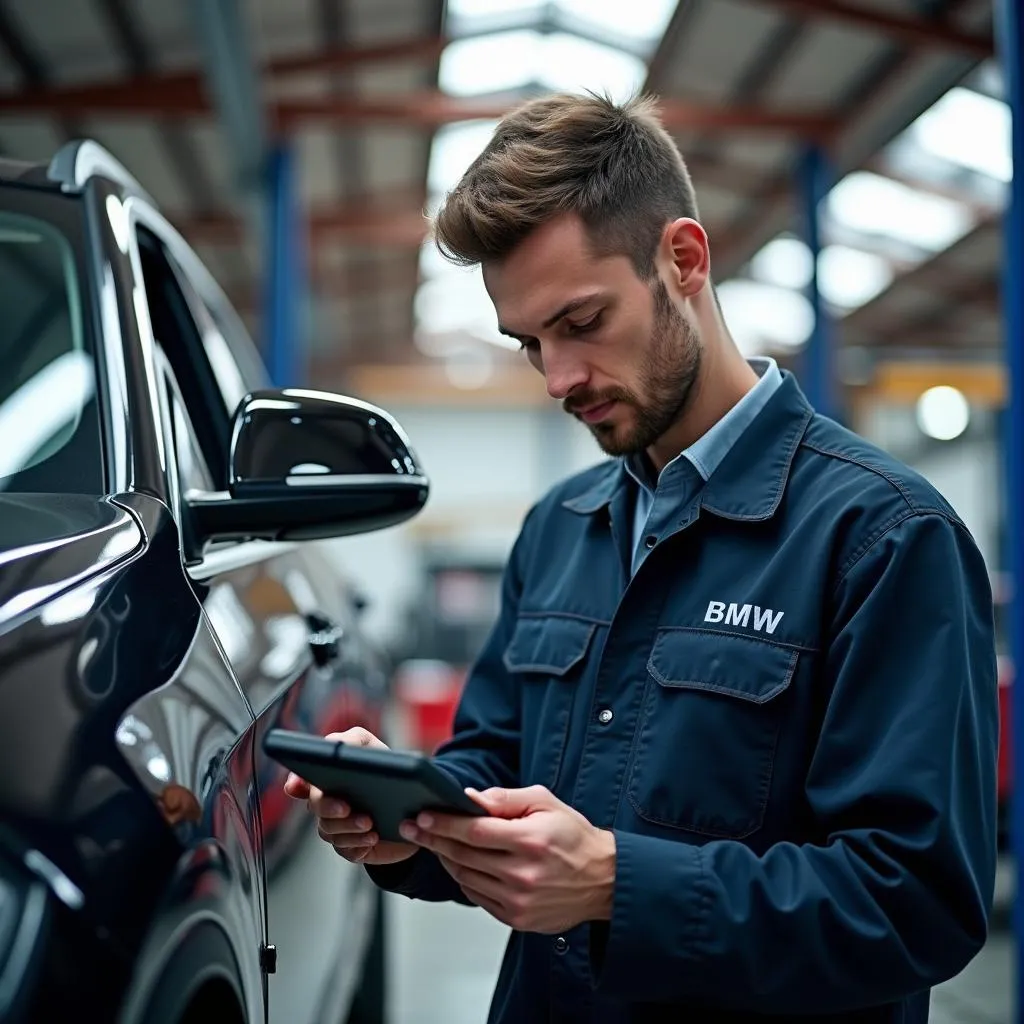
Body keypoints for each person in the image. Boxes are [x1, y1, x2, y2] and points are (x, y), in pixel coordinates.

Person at [284, 92, 998, 1023]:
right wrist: (408, 823)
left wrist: (621, 884)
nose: (557, 379)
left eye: (582, 322)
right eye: (530, 342)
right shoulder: (560, 526)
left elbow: (918, 905)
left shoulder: (882, 537)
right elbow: (493, 766)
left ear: (684, 260)